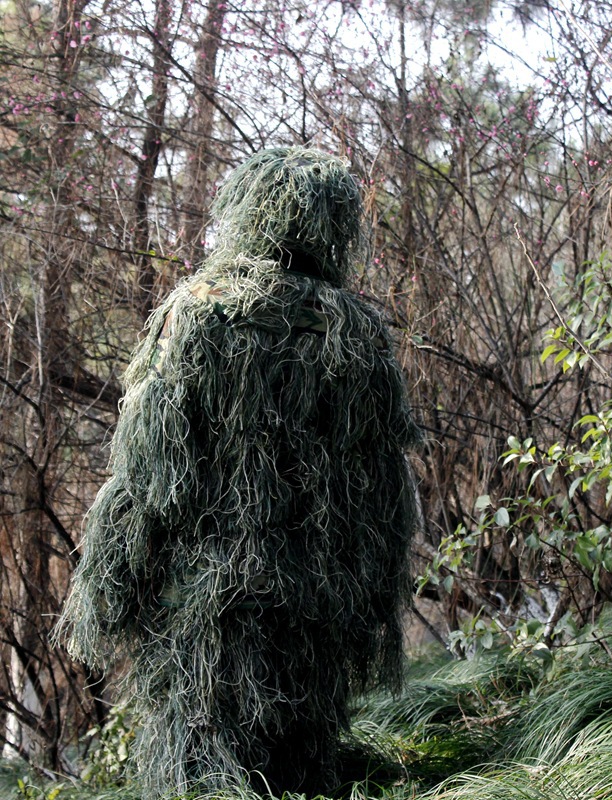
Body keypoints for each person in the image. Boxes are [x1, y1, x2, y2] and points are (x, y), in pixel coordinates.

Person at [56, 147, 419, 798]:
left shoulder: (201, 311)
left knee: (200, 773)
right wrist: (371, 606)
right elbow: (390, 494)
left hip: (207, 614)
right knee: (303, 772)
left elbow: (146, 478)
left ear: (250, 211)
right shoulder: (360, 334)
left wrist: (108, 592)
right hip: (318, 614)